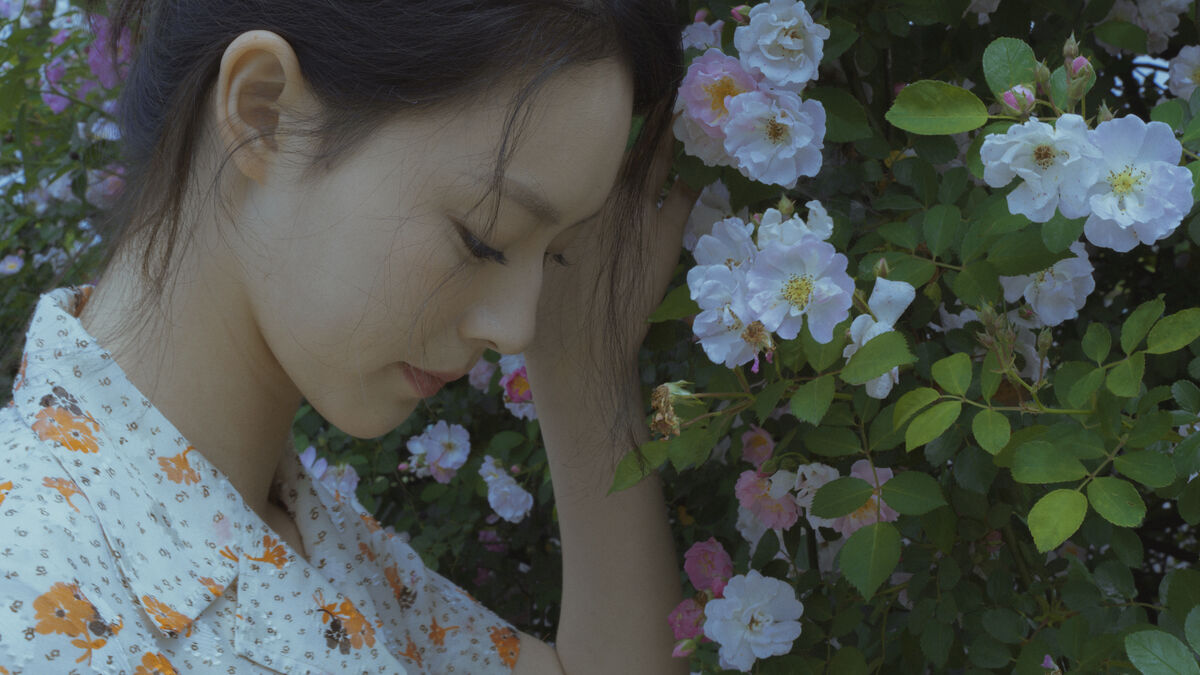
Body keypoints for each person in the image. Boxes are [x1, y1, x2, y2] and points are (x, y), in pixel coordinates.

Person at [0, 1, 698, 673]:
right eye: (485, 239)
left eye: (556, 256)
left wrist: (584, 363)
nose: (518, 329)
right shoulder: (31, 600)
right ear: (265, 112)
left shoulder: (319, 550)